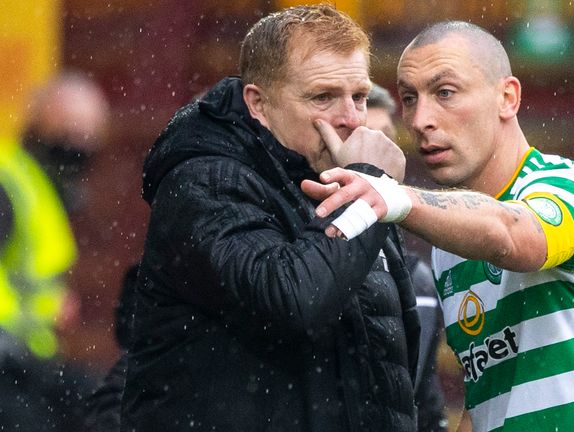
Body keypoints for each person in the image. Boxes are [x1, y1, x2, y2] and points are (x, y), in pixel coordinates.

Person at [302, 21, 574, 432]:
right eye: (409, 98)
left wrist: (397, 196)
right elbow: (491, 401)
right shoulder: (448, 247)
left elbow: (512, 234)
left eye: (445, 93)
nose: (420, 119)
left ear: (507, 97)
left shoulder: (572, 188)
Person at [121, 5, 420, 431]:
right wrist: (370, 184)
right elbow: (294, 302)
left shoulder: (347, 182)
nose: (352, 118)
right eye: (323, 97)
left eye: (358, 96)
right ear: (258, 103)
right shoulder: (205, 180)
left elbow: (395, 364)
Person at [0, 71, 108, 431]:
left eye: (87, 137)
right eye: (67, 134)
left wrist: (53, 305)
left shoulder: (37, 186)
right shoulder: (11, 183)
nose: (77, 147)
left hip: (25, 361)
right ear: (38, 126)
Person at [367, 83, 448, 432]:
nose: (377, 153)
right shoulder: (299, 266)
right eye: (363, 139)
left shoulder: (421, 282)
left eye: (386, 137)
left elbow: (425, 404)